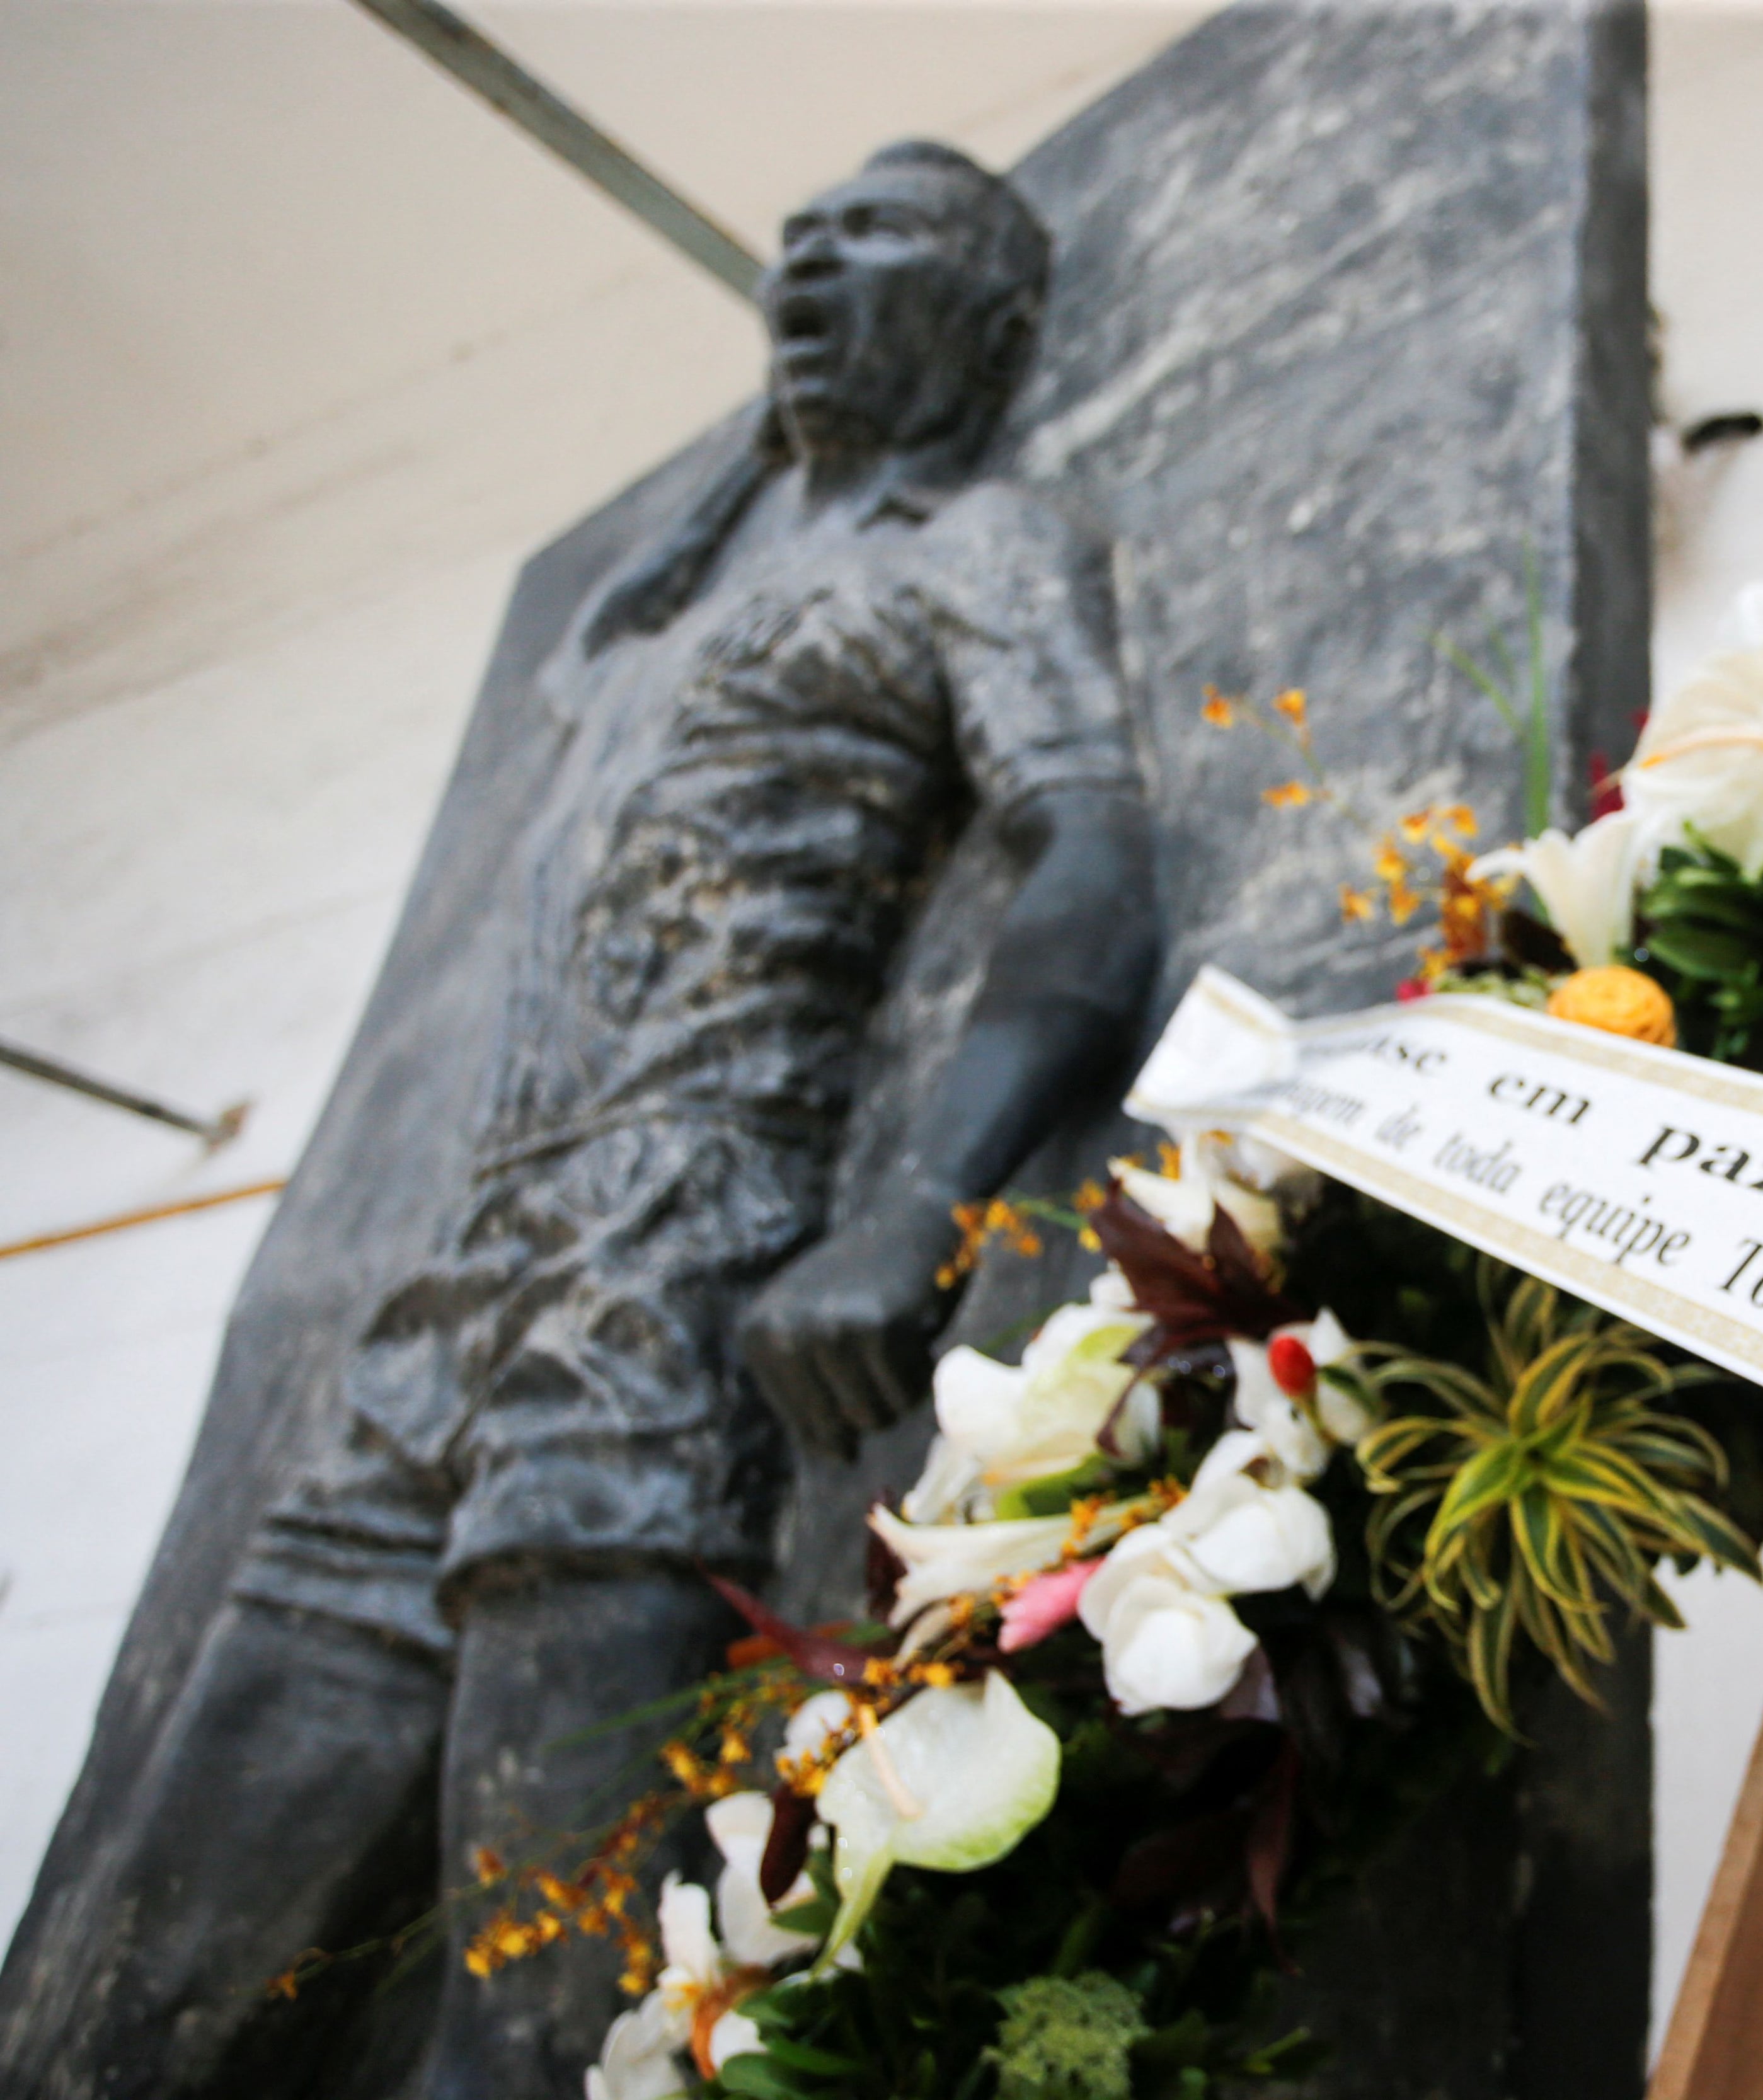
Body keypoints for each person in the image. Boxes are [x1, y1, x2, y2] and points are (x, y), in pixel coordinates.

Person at [28, 142, 1156, 2099]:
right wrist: (745, 472)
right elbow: (587, 646)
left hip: (659, 1283)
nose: (807, 270)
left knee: (530, 2028)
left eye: (870, 245)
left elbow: (1088, 858)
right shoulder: (649, 627)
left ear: (981, 321)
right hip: (433, 1329)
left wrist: (913, 1210)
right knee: (133, 2005)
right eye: (792, 247)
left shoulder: (971, 548)